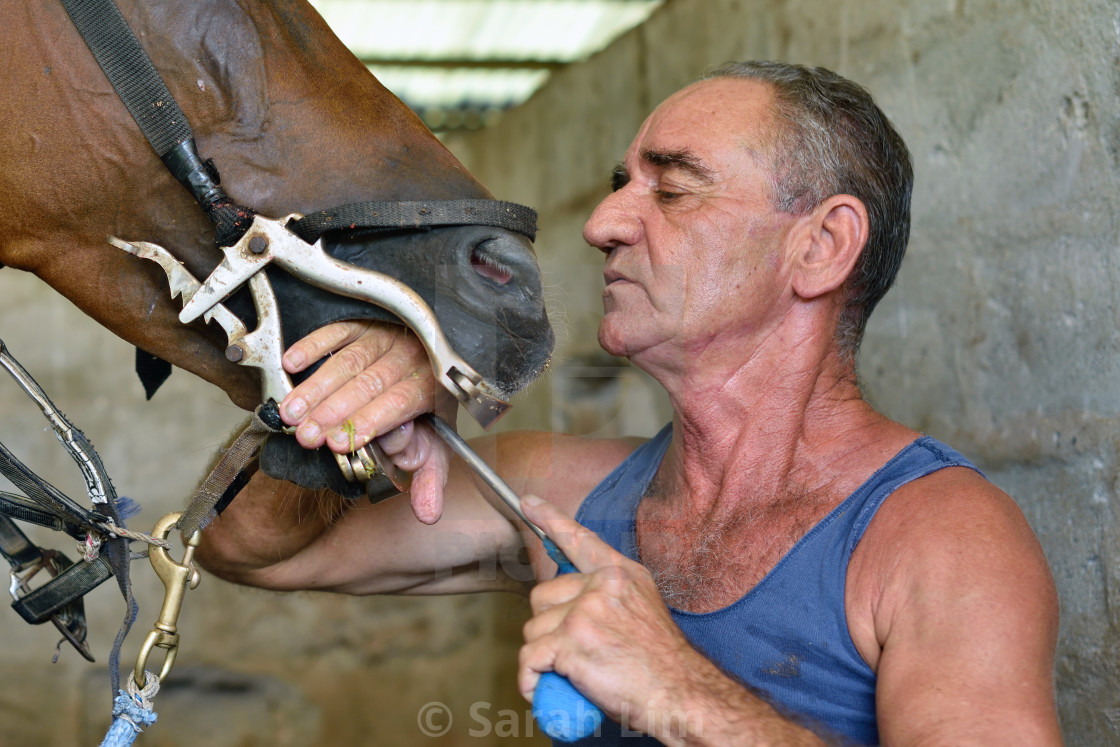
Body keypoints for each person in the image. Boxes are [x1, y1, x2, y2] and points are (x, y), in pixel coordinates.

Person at [197, 61, 1062, 745]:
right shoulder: (556, 494)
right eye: (622, 182)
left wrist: (684, 693)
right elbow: (246, 550)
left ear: (822, 246)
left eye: (674, 187)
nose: (604, 220)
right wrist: (345, 398)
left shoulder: (943, 537)